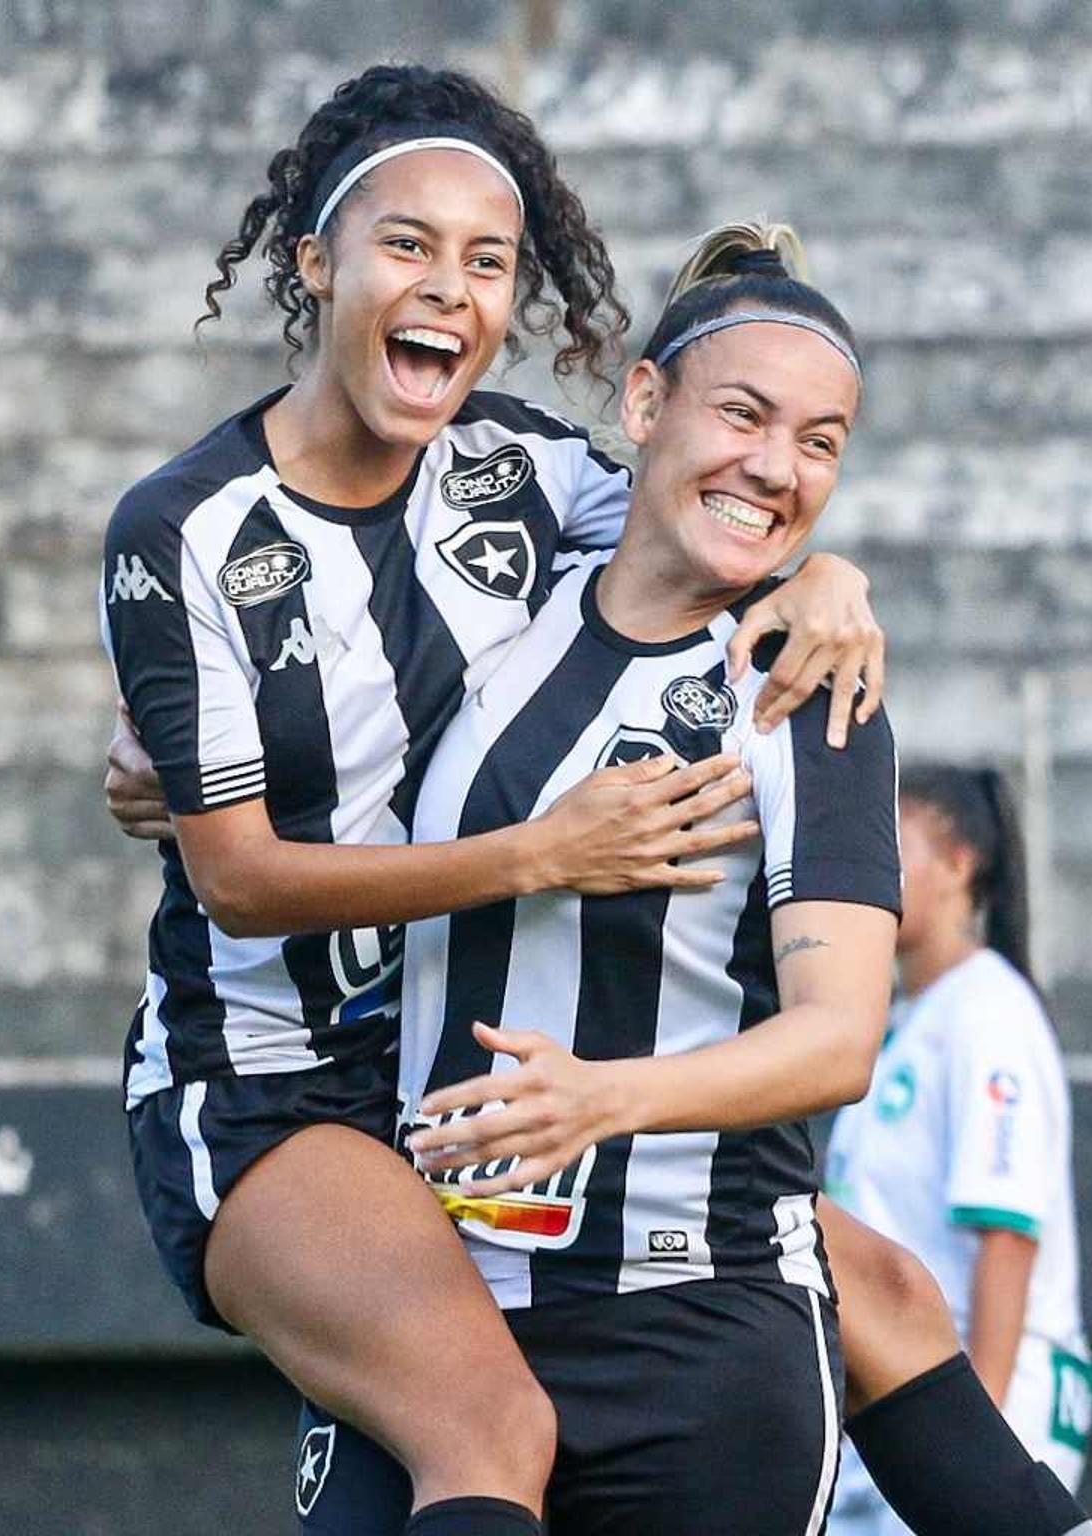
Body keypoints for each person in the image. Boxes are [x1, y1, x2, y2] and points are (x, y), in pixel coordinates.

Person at [99, 65, 885, 1536]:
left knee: (876, 1293)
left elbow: (711, 508)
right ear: (318, 262)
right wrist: (534, 854)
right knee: (490, 1423)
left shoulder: (519, 470)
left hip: (446, 1092)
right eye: (408, 245)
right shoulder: (184, 527)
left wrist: (836, 583)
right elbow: (245, 883)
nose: (450, 289)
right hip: (271, 1082)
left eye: (489, 261)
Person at [286, 225, 1092, 1536]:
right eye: (743, 414)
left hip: (695, 1335)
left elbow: (839, 1040)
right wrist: (167, 746)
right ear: (646, 403)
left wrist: (601, 1101)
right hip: (434, 1329)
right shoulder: (488, 611)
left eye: (821, 440)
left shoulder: (805, 685)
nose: (776, 467)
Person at [824, 767, 1092, 1535]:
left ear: (958, 865)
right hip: (891, 1392)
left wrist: (984, 1444)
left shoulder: (988, 1012)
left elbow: (1006, 1237)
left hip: (976, 1393)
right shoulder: (902, 1018)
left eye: (890, 846)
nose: (866, 869)